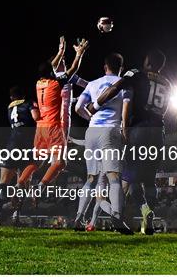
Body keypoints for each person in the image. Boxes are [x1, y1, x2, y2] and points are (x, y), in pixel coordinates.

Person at [88, 49, 171, 235]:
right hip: (159, 131)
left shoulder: (136, 73)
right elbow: (164, 109)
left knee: (126, 178)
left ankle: (119, 219)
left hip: (139, 128)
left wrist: (95, 106)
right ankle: (148, 213)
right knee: (149, 179)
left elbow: (115, 87)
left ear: (147, 61)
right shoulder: (168, 83)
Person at [16, 37, 89, 191]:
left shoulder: (39, 83)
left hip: (40, 128)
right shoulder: (56, 83)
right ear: (52, 70)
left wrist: (61, 50)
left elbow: (54, 67)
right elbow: (74, 68)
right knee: (60, 162)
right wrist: (79, 54)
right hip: (54, 126)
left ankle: (19, 183)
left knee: (36, 162)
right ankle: (41, 187)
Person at [74, 52, 132, 234]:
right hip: (110, 131)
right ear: (121, 67)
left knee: (90, 178)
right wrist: (125, 131)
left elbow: (77, 108)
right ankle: (116, 216)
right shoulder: (125, 84)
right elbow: (125, 111)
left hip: (91, 131)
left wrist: (90, 116)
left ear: (104, 66)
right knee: (114, 177)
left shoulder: (92, 84)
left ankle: (78, 218)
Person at [0, 86, 40, 225]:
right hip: (27, 146)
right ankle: (16, 216)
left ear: (12, 97)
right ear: (23, 95)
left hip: (12, 145)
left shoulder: (9, 107)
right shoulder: (29, 103)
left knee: (3, 182)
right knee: (23, 181)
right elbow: (36, 117)